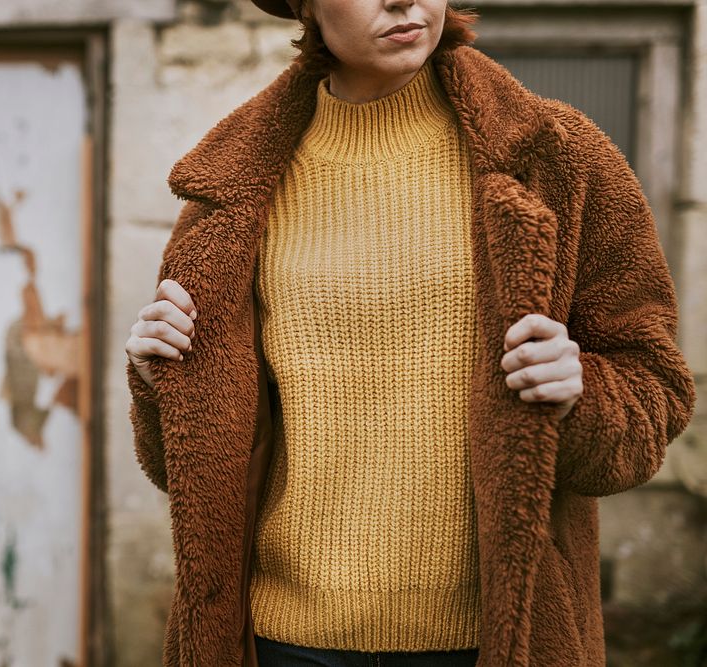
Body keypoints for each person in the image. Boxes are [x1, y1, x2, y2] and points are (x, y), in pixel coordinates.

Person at [123, 0, 697, 665]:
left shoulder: (558, 158)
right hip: (285, 641)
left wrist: (580, 392)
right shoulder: (230, 191)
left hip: (495, 640)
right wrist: (157, 379)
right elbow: (190, 470)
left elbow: (655, 390)